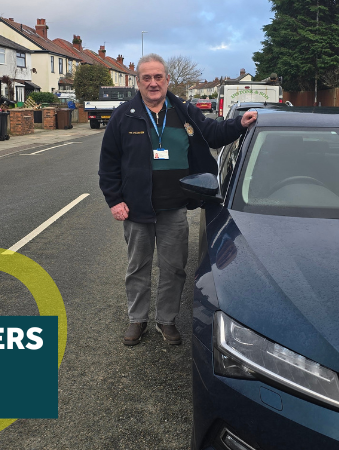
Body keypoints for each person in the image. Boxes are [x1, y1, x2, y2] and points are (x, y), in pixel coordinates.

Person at [99, 54, 257, 346]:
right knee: (138, 267)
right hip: (136, 208)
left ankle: (166, 320)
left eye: (158, 77)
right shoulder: (124, 116)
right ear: (138, 82)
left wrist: (239, 124)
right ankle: (137, 319)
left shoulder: (184, 111)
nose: (153, 83)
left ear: (168, 80)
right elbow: (108, 163)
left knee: (173, 267)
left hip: (174, 208)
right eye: (146, 78)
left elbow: (212, 132)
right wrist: (115, 200)